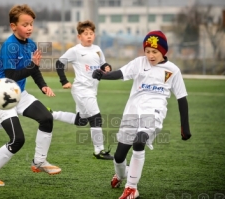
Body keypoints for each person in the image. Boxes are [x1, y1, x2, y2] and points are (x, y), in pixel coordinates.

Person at [92, 30, 192, 198]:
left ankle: (132, 188)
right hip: (132, 111)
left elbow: (182, 98)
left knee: (139, 142)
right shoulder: (139, 62)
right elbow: (121, 73)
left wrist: (185, 126)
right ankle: (121, 175)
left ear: (163, 51)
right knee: (118, 156)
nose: (150, 55)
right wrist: (103, 75)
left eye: (155, 52)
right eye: (147, 51)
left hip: (153, 112)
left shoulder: (173, 70)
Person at [0, 4, 61, 187]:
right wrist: (32, 66)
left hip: (19, 93)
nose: (29, 27)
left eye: (31, 24)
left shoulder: (31, 44)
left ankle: (39, 162)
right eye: (25, 24)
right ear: (13, 26)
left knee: (46, 118)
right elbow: (11, 76)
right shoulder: (9, 46)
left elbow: (34, 70)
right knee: (18, 140)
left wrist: (43, 86)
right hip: (2, 95)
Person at [50, 20, 113, 160]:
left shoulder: (97, 49)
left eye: (91, 33)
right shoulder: (75, 51)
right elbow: (59, 63)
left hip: (92, 90)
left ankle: (52, 114)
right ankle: (99, 151)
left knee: (81, 120)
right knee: (96, 118)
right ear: (79, 36)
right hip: (81, 90)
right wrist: (64, 81)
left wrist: (107, 67)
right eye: (86, 34)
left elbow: (103, 64)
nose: (89, 36)